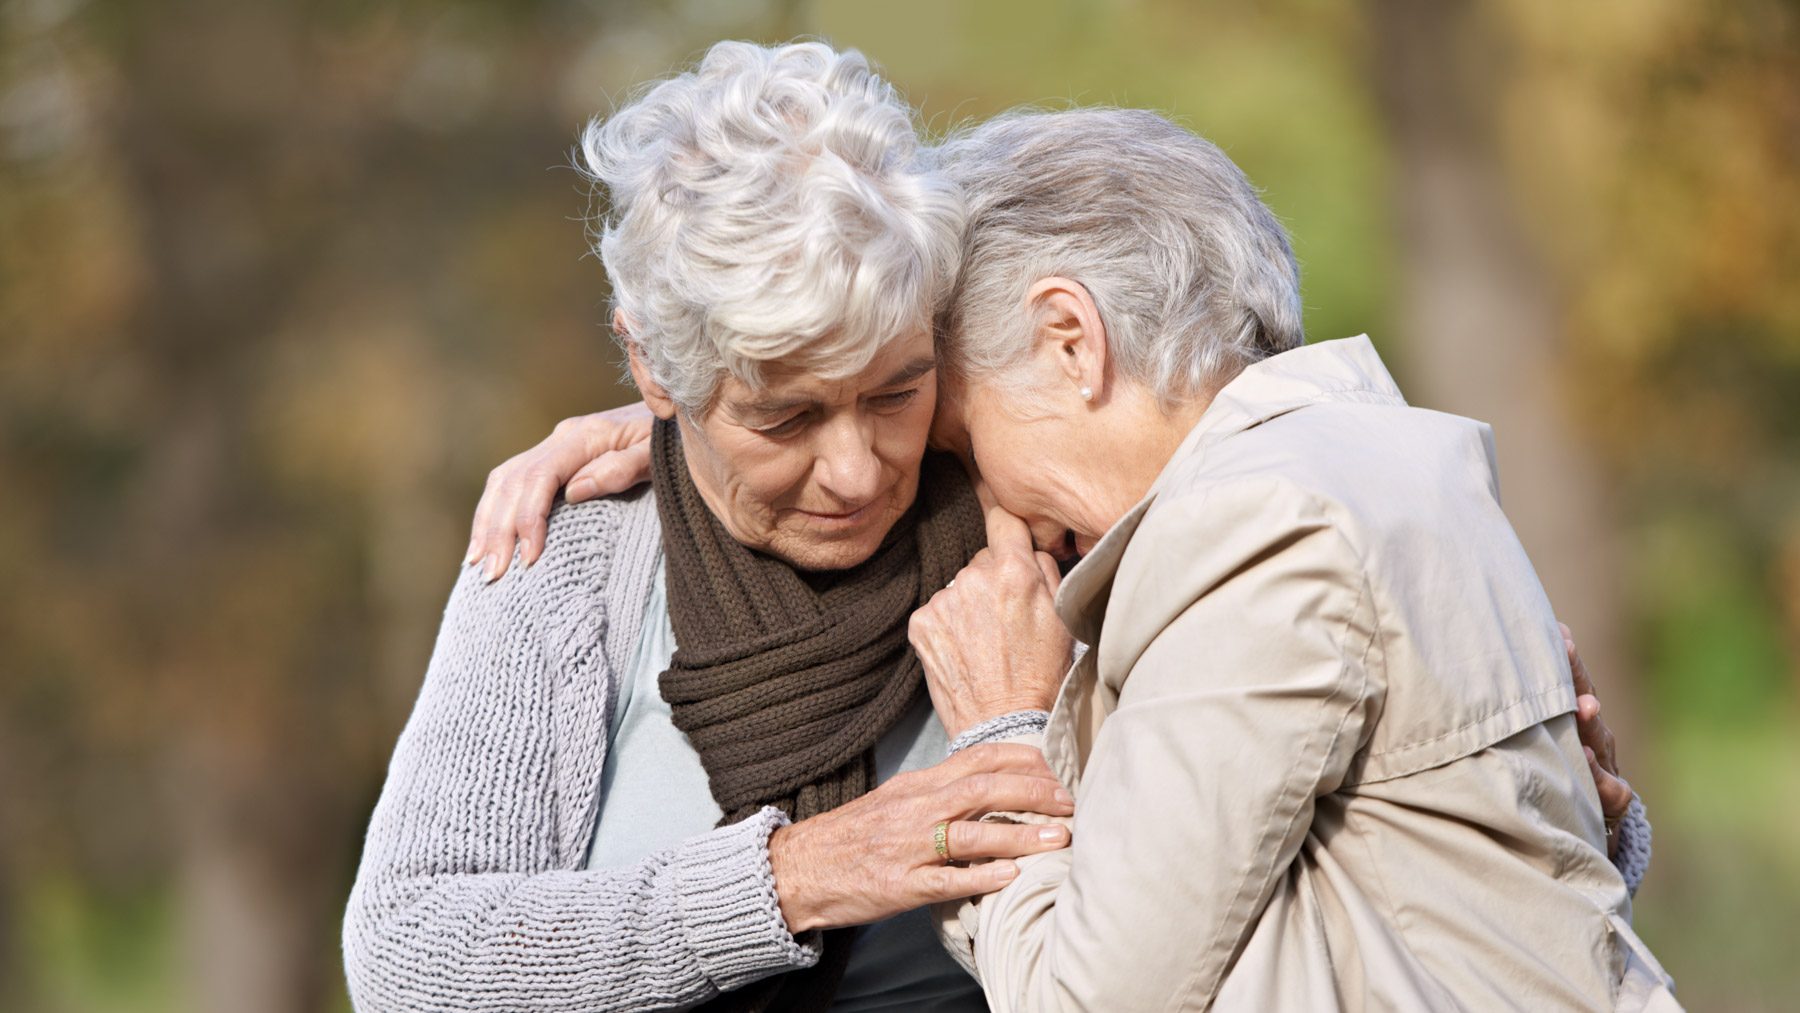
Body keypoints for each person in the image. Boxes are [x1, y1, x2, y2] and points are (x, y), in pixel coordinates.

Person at [466, 110, 1669, 1010]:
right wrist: (675, 427)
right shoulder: (1388, 463)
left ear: (1070, 337)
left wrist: (1001, 730)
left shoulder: (1245, 532)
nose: (945, 481)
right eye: (790, 415)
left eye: (937, 417)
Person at [342, 41, 1076, 1013]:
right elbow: (407, 953)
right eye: (786, 417)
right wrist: (793, 877)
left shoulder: (1040, 534)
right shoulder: (568, 560)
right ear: (651, 368)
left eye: (896, 392)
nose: (858, 470)